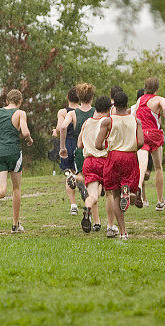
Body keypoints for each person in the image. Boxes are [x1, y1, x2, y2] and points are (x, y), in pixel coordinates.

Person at [0, 89, 34, 234]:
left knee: (2, 189)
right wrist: (29, 140)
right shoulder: (20, 113)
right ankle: (15, 224)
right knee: (16, 188)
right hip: (13, 152)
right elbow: (25, 132)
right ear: (20, 101)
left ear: (6, 101)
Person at [95, 91, 144, 240]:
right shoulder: (136, 121)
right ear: (127, 103)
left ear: (113, 104)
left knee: (115, 196)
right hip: (130, 156)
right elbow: (141, 142)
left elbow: (97, 144)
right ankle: (128, 194)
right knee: (132, 190)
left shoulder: (108, 121)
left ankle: (123, 232)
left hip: (114, 156)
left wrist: (108, 145)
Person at [59, 83, 99, 231]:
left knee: (88, 183)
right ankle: (96, 222)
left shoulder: (72, 113)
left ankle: (74, 178)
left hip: (79, 152)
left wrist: (62, 147)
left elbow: (63, 127)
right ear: (92, 97)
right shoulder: (96, 111)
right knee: (95, 185)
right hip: (95, 151)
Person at [76, 96, 114, 234]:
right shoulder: (107, 122)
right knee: (109, 194)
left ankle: (88, 210)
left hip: (88, 162)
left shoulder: (87, 122)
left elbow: (79, 145)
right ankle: (110, 225)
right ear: (109, 109)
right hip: (103, 161)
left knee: (93, 196)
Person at [134, 77, 165, 211]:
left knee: (142, 165)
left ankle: (138, 186)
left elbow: (135, 116)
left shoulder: (140, 100)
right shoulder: (159, 99)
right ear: (157, 88)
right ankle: (160, 201)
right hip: (154, 135)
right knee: (158, 167)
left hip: (141, 134)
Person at [54, 87, 80, 215]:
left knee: (69, 173)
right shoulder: (83, 110)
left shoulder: (63, 112)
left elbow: (60, 127)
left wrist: (55, 132)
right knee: (83, 173)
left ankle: (73, 205)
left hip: (68, 143)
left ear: (68, 97)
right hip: (81, 143)